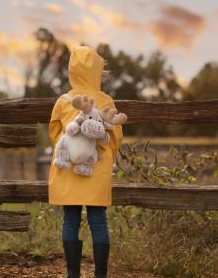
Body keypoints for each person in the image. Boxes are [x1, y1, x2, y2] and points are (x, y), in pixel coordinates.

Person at [48, 46, 124, 278]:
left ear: (72, 70)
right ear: (97, 71)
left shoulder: (64, 100)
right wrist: (101, 150)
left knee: (70, 219)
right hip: (96, 168)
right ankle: (100, 275)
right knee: (98, 220)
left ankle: (73, 274)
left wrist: (68, 151)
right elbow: (115, 137)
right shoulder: (106, 100)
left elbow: (54, 132)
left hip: (67, 167)